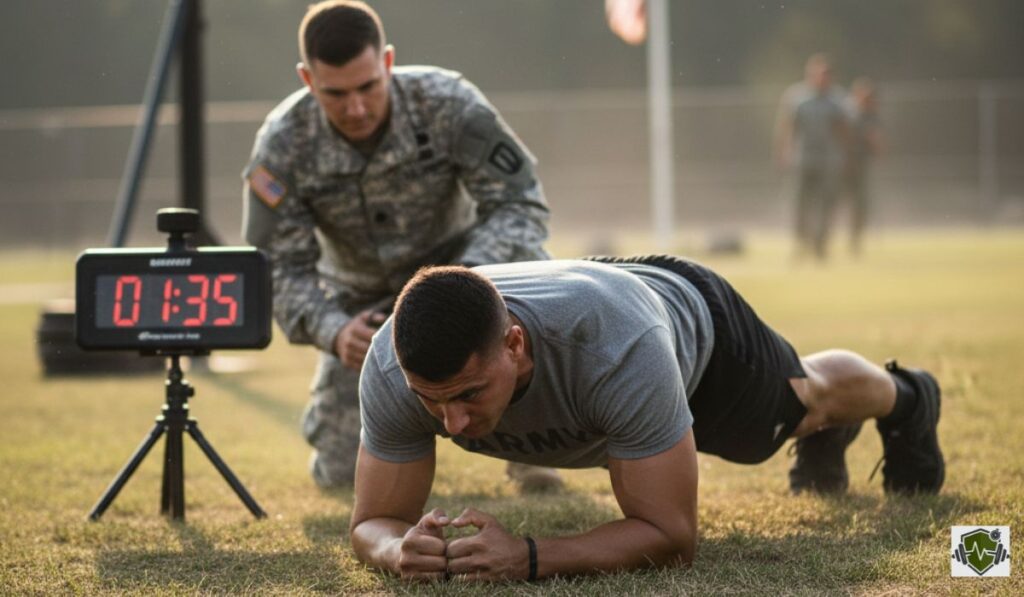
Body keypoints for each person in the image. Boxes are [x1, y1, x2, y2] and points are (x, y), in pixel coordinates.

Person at [348, 256, 944, 581]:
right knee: (800, 410)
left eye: (470, 395)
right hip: (603, 298)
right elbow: (372, 521)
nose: (451, 424)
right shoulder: (391, 367)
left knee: (803, 403)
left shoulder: (617, 351)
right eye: (432, 401)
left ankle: (910, 396)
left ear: (515, 345)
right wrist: (395, 549)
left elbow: (672, 538)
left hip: (691, 328)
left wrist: (530, 556)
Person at [241, 0, 562, 491]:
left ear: (388, 62)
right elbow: (277, 266)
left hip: (471, 285)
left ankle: (534, 449)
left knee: (530, 278)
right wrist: (332, 329)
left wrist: (468, 279)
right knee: (340, 475)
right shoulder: (283, 144)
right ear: (307, 80)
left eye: (368, 86)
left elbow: (520, 205)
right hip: (365, 313)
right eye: (335, 93)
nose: (356, 108)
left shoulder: (448, 103)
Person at [775, 53, 850, 261]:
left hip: (828, 160)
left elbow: (843, 130)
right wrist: (783, 152)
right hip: (803, 159)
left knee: (826, 203)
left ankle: (821, 245)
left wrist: (846, 157)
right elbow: (787, 127)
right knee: (800, 203)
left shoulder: (837, 99)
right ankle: (801, 242)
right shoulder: (797, 98)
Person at [842, 77, 885, 257]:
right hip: (842, 165)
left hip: (861, 166)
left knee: (860, 207)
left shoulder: (871, 116)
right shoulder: (847, 113)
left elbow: (877, 141)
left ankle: (855, 242)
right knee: (829, 203)